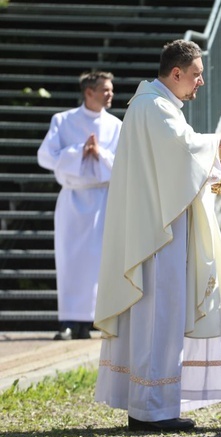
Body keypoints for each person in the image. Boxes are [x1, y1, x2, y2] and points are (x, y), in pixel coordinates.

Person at [94, 40, 221, 432]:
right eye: (195, 75)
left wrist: (212, 166)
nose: (200, 83)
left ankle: (149, 404)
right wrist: (217, 144)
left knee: (158, 316)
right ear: (175, 73)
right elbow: (183, 151)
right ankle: (152, 409)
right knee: (159, 314)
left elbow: (178, 162)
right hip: (157, 236)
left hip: (158, 226)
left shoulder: (155, 107)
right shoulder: (154, 108)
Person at [37, 71, 122, 341]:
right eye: (105, 90)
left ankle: (94, 320)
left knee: (99, 261)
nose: (110, 95)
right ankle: (69, 321)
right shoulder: (63, 121)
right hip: (73, 198)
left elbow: (123, 162)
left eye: (111, 90)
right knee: (70, 260)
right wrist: (78, 152)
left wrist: (100, 154)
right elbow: (45, 157)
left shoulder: (115, 125)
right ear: (89, 92)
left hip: (102, 199)